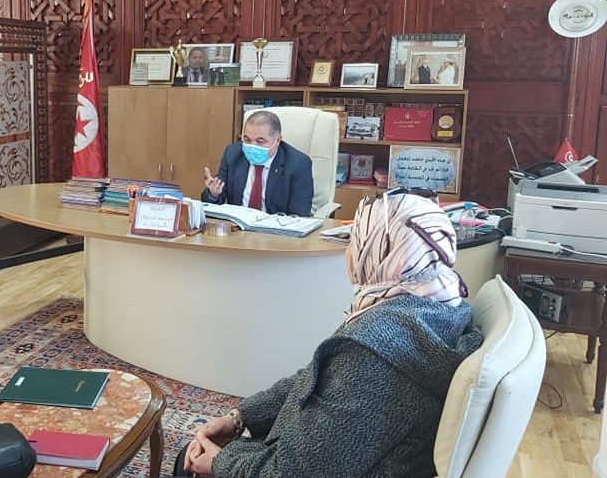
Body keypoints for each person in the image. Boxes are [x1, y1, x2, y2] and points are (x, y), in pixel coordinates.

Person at [177, 189, 483, 478]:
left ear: (382, 253)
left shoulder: (373, 350)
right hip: (353, 457)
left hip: (326, 464)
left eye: (356, 242)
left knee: (187, 462)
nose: (348, 254)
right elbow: (315, 378)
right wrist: (240, 417)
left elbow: (295, 473)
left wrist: (220, 462)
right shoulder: (442, 304)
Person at [202, 110, 313, 216]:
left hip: (274, 227)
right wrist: (213, 194)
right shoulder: (233, 154)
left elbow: (299, 215)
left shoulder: (298, 164)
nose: (252, 146)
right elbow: (215, 201)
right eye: (247, 140)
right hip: (236, 225)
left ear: (278, 141)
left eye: (260, 141)